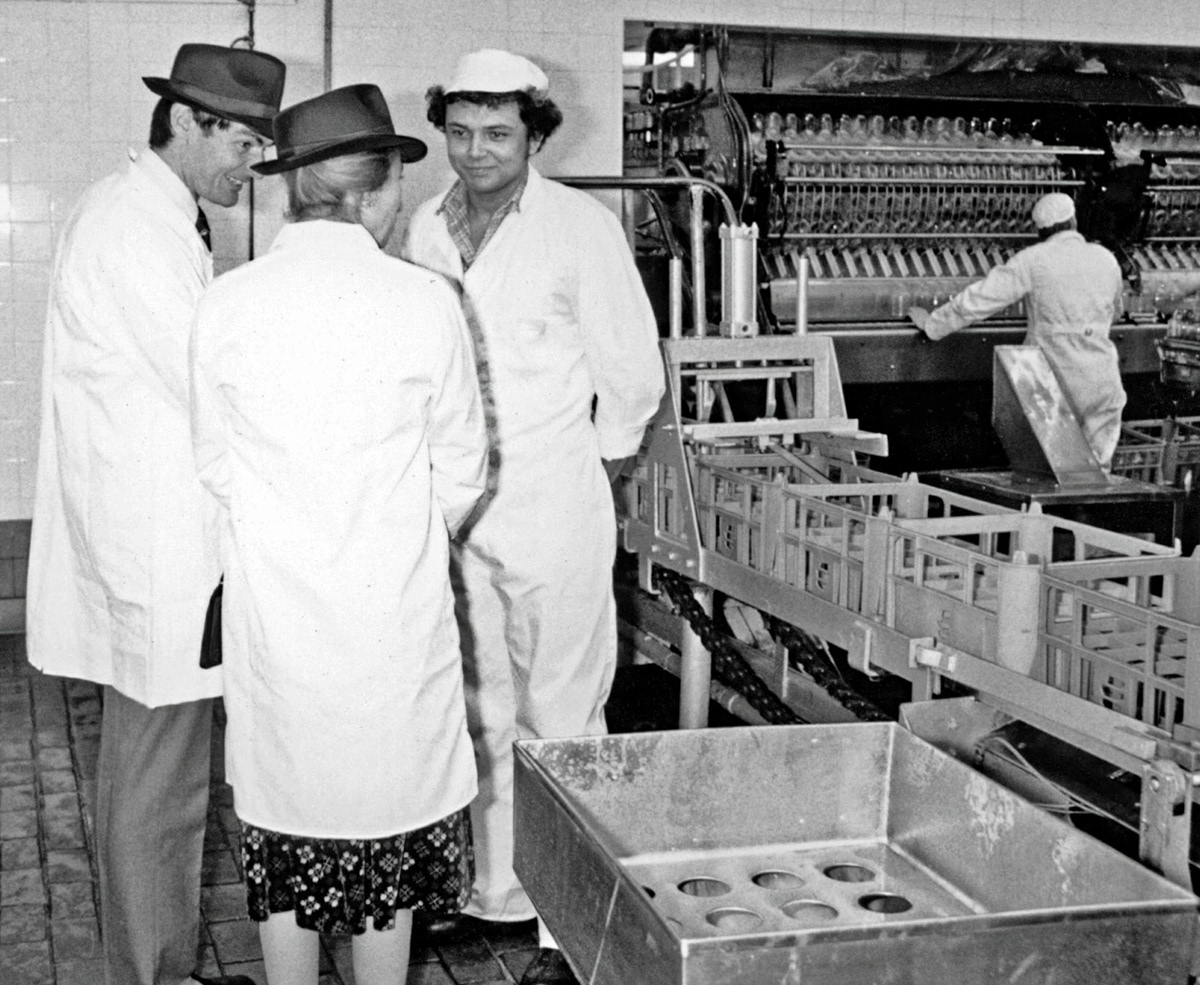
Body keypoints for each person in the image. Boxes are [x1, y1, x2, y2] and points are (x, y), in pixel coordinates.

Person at [190, 84, 489, 985]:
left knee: (288, 833)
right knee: (385, 843)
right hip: (392, 627)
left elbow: (214, 467)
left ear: (293, 188)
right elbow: (462, 471)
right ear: (373, 192)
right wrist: (387, 538)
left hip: (279, 624)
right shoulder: (425, 301)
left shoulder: (228, 305)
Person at [403, 49, 665, 985]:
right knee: (472, 705)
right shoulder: (421, 228)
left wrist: (591, 474)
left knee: (562, 711)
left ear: (535, 135)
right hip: (450, 507)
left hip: (553, 501)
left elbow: (632, 374)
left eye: (498, 134)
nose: (477, 152)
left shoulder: (579, 229)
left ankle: (563, 926)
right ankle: (489, 891)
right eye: (461, 132)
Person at [25, 43, 285, 985]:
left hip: (158, 539)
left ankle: (159, 962)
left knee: (159, 776)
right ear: (183, 120)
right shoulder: (137, 227)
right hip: (158, 550)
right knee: (157, 779)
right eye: (243, 140)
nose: (252, 163)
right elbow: (205, 382)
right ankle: (151, 973)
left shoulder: (153, 216)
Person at [909, 192, 1128, 469]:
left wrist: (933, 325)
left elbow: (981, 300)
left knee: (1051, 469)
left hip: (1054, 377)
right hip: (1101, 378)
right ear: (1073, 220)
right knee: (1097, 472)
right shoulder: (1105, 258)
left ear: (1040, 231)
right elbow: (1116, 310)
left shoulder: (1033, 259)